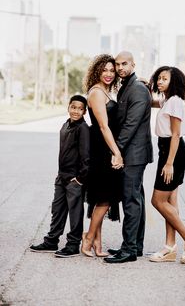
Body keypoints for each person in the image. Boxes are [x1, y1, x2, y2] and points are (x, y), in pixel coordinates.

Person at [148, 66, 185, 264]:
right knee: (170, 202)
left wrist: (169, 163)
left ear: (175, 82)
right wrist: (146, 85)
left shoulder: (174, 102)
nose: (160, 82)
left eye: (164, 79)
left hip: (174, 153)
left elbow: (175, 134)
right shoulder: (167, 100)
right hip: (169, 151)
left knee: (158, 201)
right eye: (159, 79)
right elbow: (151, 101)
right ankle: (169, 247)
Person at [104, 51, 153, 264]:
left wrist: (116, 151)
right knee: (137, 199)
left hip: (134, 154)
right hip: (132, 153)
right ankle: (135, 246)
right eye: (118, 64)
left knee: (131, 201)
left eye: (124, 64)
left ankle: (129, 250)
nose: (120, 68)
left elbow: (131, 125)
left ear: (133, 64)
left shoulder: (138, 89)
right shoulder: (128, 86)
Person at [30, 95, 90, 258]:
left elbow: (86, 157)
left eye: (80, 108)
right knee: (57, 210)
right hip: (61, 177)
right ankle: (51, 241)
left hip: (74, 179)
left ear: (85, 111)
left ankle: (73, 245)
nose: (76, 111)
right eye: (73, 107)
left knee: (75, 213)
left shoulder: (83, 128)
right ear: (68, 107)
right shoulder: (66, 124)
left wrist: (79, 179)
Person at [81, 54, 123, 257]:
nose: (108, 74)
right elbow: (104, 127)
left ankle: (97, 244)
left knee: (101, 199)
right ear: (96, 71)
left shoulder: (106, 91)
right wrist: (117, 153)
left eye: (111, 70)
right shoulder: (97, 93)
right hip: (101, 151)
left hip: (105, 148)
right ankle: (88, 238)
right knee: (105, 199)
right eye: (104, 70)